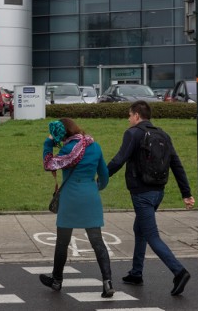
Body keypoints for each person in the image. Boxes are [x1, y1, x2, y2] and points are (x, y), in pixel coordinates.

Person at [107, 100, 195, 296]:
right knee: (139, 229)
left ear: (137, 115)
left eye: (130, 115)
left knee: (152, 235)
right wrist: (186, 193)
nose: (128, 119)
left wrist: (101, 177)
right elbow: (177, 164)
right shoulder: (163, 134)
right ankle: (136, 273)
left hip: (142, 193)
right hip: (158, 192)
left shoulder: (133, 133)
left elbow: (119, 159)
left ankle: (179, 271)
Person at [40, 118, 115, 298]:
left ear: (63, 134)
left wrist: (48, 142)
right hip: (90, 197)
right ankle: (107, 282)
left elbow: (49, 163)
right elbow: (104, 175)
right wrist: (95, 188)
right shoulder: (94, 146)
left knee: (62, 242)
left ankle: (57, 280)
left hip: (70, 199)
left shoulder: (67, 150)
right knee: (97, 242)